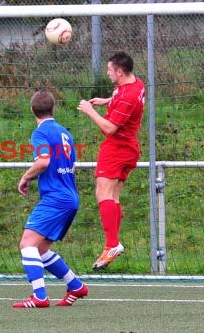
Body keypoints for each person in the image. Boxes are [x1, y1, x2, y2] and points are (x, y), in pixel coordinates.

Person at [12, 89, 88, 309]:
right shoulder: (65, 132)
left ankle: (39, 297)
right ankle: (75, 286)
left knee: (27, 243)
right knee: (40, 249)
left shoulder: (40, 133)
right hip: (70, 196)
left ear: (32, 110)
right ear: (53, 108)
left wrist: (25, 177)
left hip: (55, 197)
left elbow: (44, 161)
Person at [77, 51, 145, 271]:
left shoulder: (126, 97)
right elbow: (123, 96)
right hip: (129, 148)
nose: (107, 73)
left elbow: (109, 127)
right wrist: (107, 100)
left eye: (109, 70)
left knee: (102, 194)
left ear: (120, 71)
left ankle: (112, 244)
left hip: (117, 148)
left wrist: (89, 111)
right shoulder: (134, 84)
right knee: (113, 196)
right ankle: (112, 245)